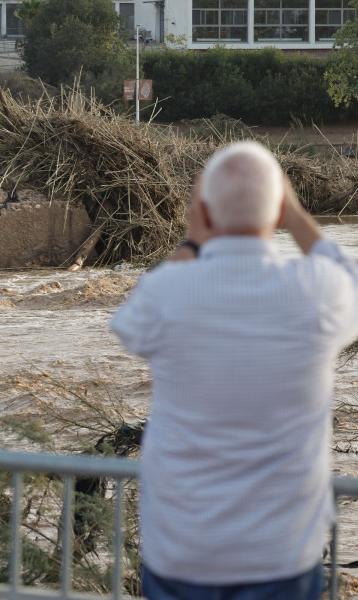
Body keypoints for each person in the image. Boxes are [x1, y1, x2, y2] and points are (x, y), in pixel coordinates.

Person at [110, 141, 358, 600]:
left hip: (182, 551)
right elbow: (350, 275)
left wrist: (192, 240)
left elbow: (126, 324)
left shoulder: (168, 294)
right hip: (281, 553)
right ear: (279, 208)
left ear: (203, 211)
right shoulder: (317, 292)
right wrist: (297, 217)